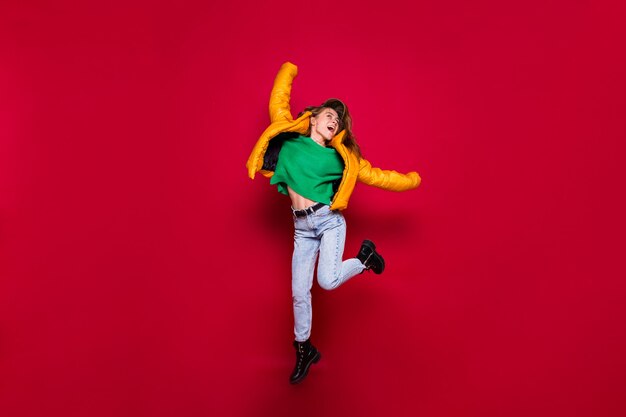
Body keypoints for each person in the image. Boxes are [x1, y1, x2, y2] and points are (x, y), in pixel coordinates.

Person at [246, 62, 421, 384]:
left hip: (328, 223)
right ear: (313, 117)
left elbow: (377, 176)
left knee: (326, 281)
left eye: (337, 120)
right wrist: (289, 71)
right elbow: (278, 101)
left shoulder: (341, 159)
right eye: (329, 115)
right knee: (300, 293)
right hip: (301, 229)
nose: (333, 120)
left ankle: (364, 260)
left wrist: (410, 181)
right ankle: (304, 349)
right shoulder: (288, 137)